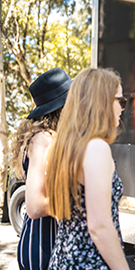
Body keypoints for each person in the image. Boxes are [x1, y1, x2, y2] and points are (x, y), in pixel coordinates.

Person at [45, 68, 130, 270]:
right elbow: (100, 226)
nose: (122, 108)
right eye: (120, 101)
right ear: (100, 102)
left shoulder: (64, 147)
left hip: (64, 258)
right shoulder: (96, 148)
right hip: (91, 262)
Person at [9, 68, 71, 270]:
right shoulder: (42, 140)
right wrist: (75, 200)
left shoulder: (48, 138)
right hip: (42, 247)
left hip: (49, 244)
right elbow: (35, 206)